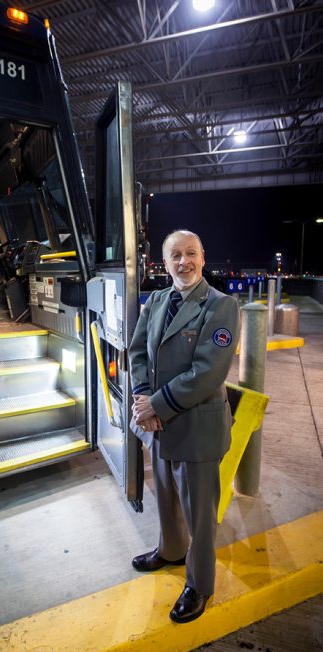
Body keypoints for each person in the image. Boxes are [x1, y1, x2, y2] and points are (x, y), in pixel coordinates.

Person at [128, 229, 240, 624]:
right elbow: (137, 351)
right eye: (175, 255)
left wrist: (155, 405)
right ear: (165, 261)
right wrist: (144, 401)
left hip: (196, 427)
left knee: (199, 515)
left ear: (203, 257)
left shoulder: (221, 306)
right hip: (159, 424)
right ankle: (171, 551)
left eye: (190, 253)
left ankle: (200, 583)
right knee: (167, 499)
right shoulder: (158, 300)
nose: (183, 262)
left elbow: (207, 373)